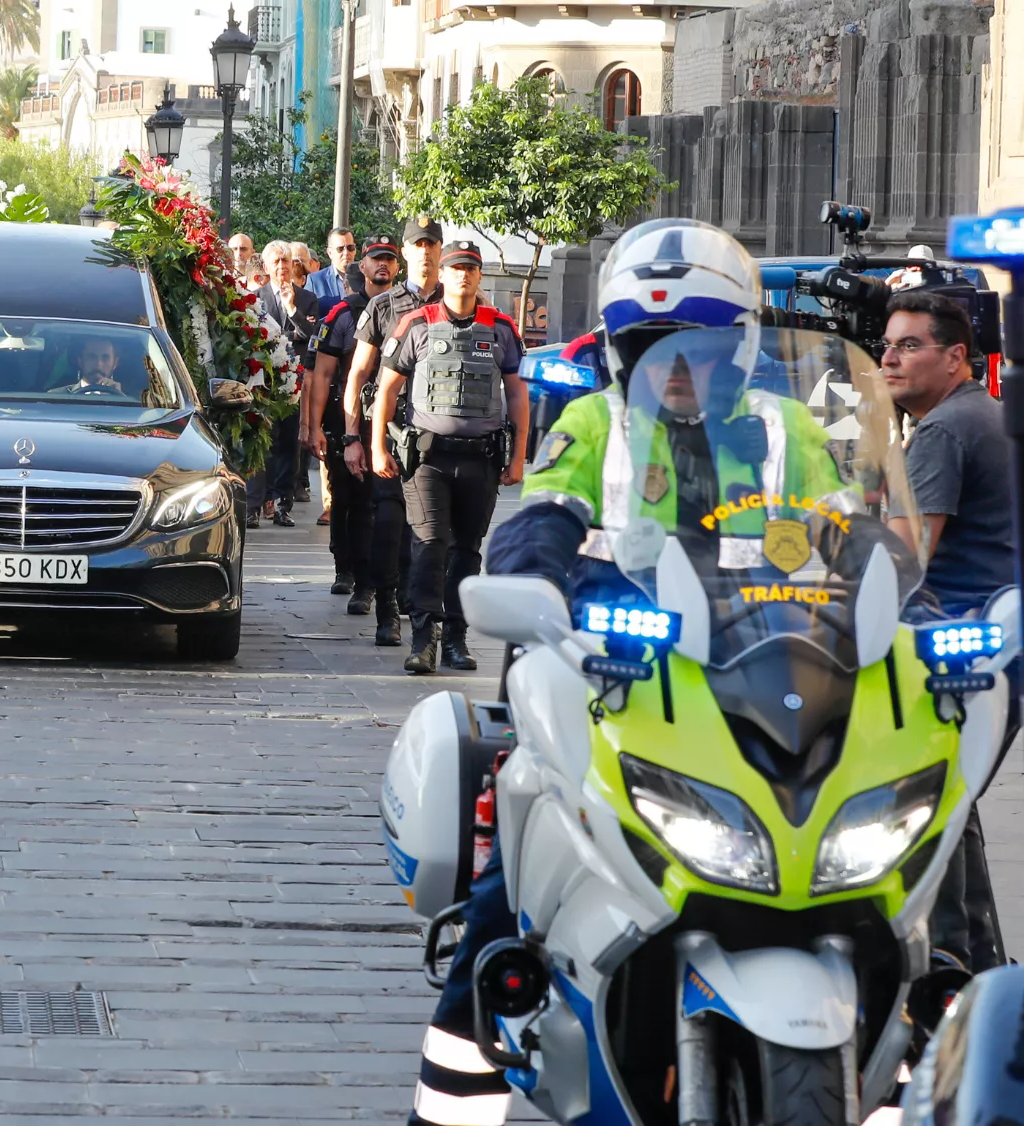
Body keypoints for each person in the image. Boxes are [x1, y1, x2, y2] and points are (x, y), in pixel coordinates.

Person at [410, 218, 775, 1126]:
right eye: (654, 347)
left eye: (698, 345)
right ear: (621, 351)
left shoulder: (782, 428)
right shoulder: (593, 422)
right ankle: (446, 1107)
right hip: (608, 688)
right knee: (505, 908)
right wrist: (533, 584)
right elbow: (542, 520)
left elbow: (857, 532)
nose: (676, 368)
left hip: (756, 699)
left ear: (741, 346)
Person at [879, 288, 1011, 974]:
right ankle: (979, 969)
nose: (889, 358)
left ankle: (948, 971)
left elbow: (901, 562)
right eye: (886, 344)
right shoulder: (984, 415)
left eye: (908, 345)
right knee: (949, 808)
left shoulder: (943, 432)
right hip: (1006, 644)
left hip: (965, 653)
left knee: (921, 807)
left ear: (957, 357)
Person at [370, 241, 527, 672]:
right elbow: (387, 389)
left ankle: (457, 639)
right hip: (427, 460)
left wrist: (518, 458)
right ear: (443, 273)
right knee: (429, 544)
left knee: (466, 550)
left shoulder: (500, 328)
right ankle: (424, 639)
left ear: (479, 276)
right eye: (456, 268)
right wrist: (376, 445)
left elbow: (516, 392)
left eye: (471, 269)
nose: (463, 275)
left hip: (482, 459)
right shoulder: (415, 324)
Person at [346, 217, 443, 644]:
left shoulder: (460, 301)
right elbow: (358, 374)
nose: (424, 251)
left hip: (440, 431)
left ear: (439, 250)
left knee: (433, 529)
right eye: (417, 244)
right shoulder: (383, 305)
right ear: (405, 253)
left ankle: (425, 609)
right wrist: (353, 438)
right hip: (394, 428)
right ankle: (386, 605)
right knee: (388, 519)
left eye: (431, 243)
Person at [303, 233, 400, 614]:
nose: (383, 265)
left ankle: (388, 581)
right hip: (349, 421)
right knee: (350, 502)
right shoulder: (342, 314)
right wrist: (312, 427)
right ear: (362, 266)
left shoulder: (409, 310)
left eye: (389, 259)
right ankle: (353, 574)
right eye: (376, 258)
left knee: (388, 508)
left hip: (395, 423)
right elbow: (322, 374)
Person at [259, 240, 319, 528]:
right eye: (276, 262)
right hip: (264, 383)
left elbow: (310, 335)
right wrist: (295, 335)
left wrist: (293, 310)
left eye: (286, 262)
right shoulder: (255, 298)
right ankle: (260, 500)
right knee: (264, 442)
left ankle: (284, 502)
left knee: (289, 445)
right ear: (266, 267)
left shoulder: (307, 300)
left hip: (296, 382)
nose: (281, 268)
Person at [305, 227, 355, 315]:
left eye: (350, 247)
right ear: (330, 253)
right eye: (340, 249)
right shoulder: (315, 281)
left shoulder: (366, 278)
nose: (346, 253)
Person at [57, 335, 127, 395]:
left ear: (115, 363)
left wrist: (117, 397)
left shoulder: (133, 403)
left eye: (105, 358)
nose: (98, 364)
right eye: (92, 357)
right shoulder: (56, 397)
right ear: (80, 361)